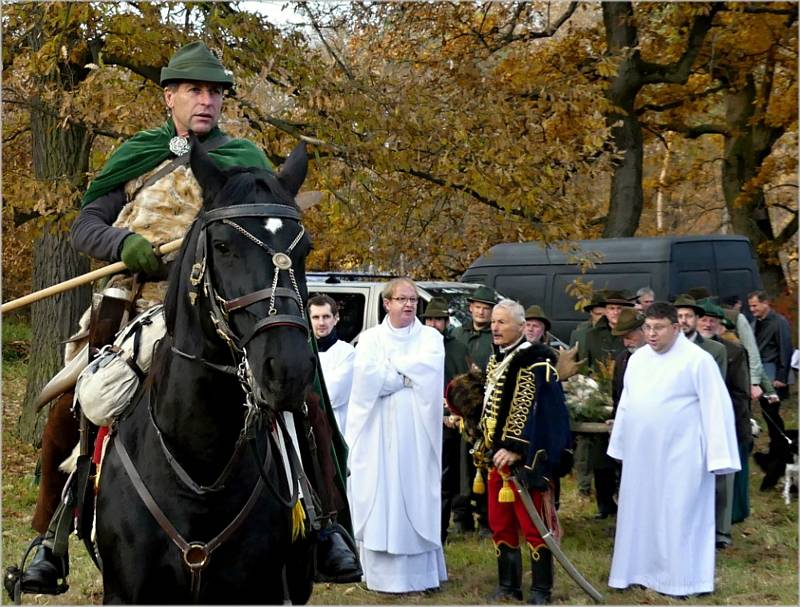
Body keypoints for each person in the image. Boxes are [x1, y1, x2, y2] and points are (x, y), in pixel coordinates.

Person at [19, 42, 362, 595]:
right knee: (77, 397)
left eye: (215, 92)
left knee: (303, 396)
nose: (206, 101)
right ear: (170, 96)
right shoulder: (139, 153)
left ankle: (324, 525)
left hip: (229, 307)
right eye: (195, 91)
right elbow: (86, 225)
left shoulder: (245, 160)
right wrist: (122, 241)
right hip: (140, 299)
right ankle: (51, 536)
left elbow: (265, 234)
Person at [607, 302, 740, 597]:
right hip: (642, 454)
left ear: (676, 328)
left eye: (659, 328)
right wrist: (620, 445)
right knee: (639, 513)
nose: (651, 334)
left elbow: (716, 408)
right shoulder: (638, 360)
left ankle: (682, 580)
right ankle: (636, 571)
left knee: (679, 514)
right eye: (647, 328)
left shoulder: (697, 360)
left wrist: (719, 456)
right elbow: (627, 404)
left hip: (683, 453)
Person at [345, 278, 447, 593]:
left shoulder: (430, 338)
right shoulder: (370, 338)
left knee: (415, 492)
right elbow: (365, 377)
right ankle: (378, 576)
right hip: (376, 432)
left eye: (413, 300)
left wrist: (389, 371)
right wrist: (405, 377)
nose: (408, 305)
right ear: (386, 303)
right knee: (379, 491)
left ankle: (419, 576)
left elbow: (429, 370)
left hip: (416, 432)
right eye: (401, 299)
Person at [473, 299, 572, 604]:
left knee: (534, 525)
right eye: (493, 322)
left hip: (527, 463)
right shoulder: (496, 360)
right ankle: (508, 586)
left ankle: (541, 589)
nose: (495, 327)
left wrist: (517, 448)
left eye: (502, 322)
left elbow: (543, 414)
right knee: (500, 523)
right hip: (494, 460)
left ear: (521, 326)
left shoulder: (537, 362)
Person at [698, 300, 752, 545]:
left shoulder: (734, 351)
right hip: (693, 422)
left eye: (713, 320)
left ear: (720, 325)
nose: (708, 323)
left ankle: (722, 531)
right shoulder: (682, 351)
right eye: (704, 319)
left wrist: (737, 424)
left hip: (724, 417)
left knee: (722, 478)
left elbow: (741, 391)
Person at [422, 297, 470, 543]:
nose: (433, 324)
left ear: (446, 322)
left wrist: (454, 413)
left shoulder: (458, 348)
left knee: (444, 480)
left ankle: (439, 531)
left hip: (448, 423)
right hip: (419, 421)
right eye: (430, 319)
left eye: (438, 319)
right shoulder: (416, 346)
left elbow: (465, 386)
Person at [451, 285, 496, 535]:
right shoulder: (458, 334)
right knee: (460, 465)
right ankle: (461, 517)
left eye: (486, 308)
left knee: (483, 462)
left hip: (485, 410)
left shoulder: (494, 337)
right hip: (460, 409)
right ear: (470, 308)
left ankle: (486, 519)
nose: (481, 312)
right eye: (477, 307)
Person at [748, 290, 793, 476]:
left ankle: (782, 448)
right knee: (769, 415)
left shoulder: (779, 322)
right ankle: (780, 447)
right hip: (761, 374)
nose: (751, 309)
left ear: (765, 303)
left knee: (772, 415)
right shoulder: (755, 323)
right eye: (750, 306)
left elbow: (786, 349)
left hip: (774, 375)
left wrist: (781, 377)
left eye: (754, 305)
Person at [308, 295, 355, 436]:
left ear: (336, 318)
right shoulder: (301, 351)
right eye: (316, 317)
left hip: (334, 428)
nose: (321, 322)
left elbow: (331, 395)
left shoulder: (347, 353)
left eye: (326, 316)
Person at [674, 294, 727, 376]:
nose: (683, 320)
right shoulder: (664, 347)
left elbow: (716, 385)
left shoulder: (716, 349)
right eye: (679, 316)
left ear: (697, 318)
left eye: (688, 316)